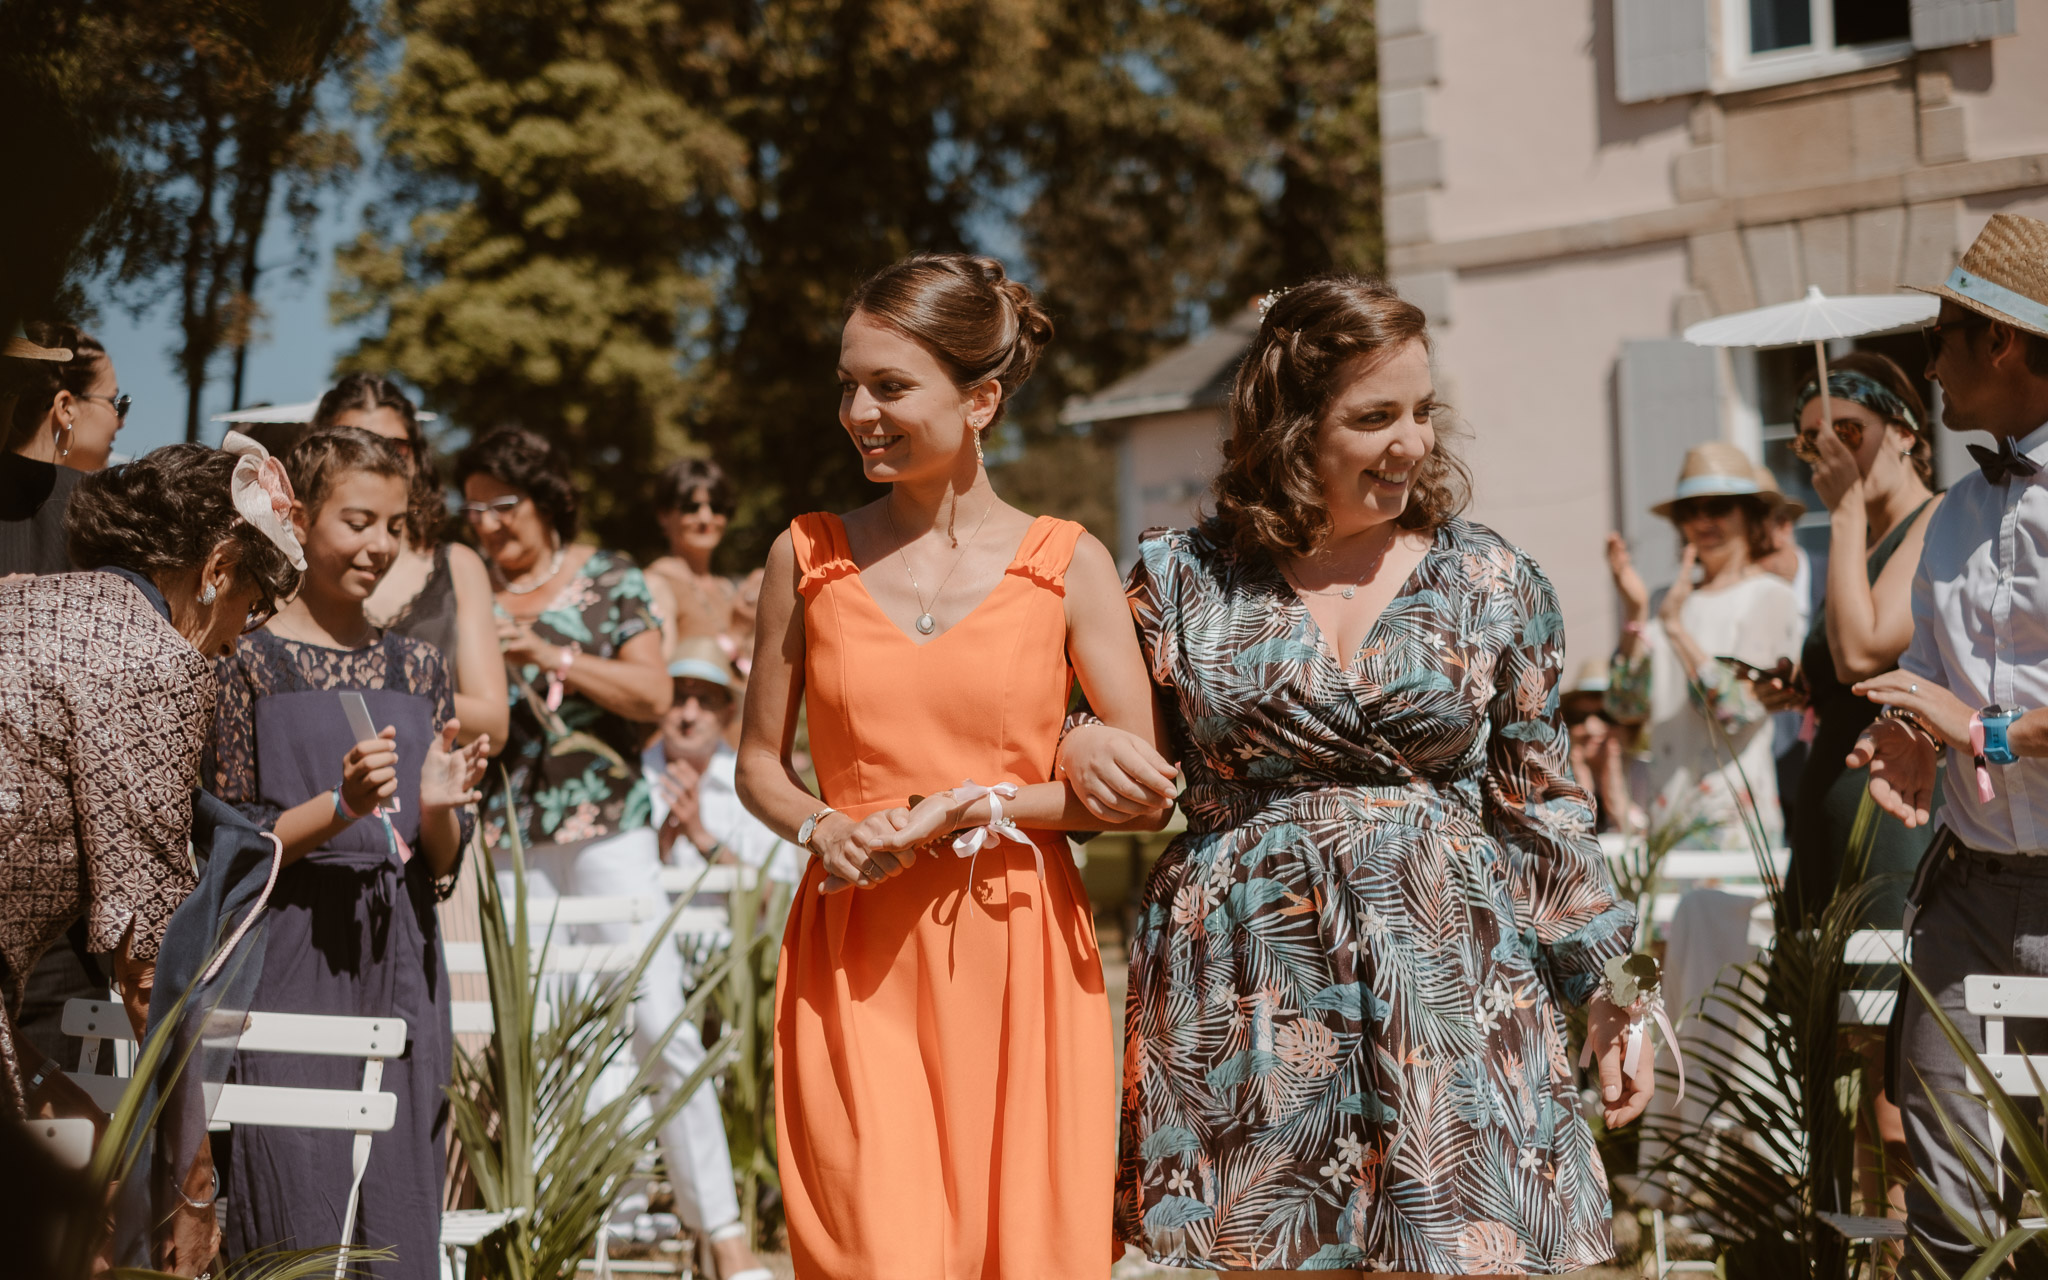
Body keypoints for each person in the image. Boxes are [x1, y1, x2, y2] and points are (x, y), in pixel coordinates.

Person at [1055, 276, 1645, 1276]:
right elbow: (1096, 734)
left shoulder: (1489, 579)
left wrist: (1617, 989)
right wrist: (1076, 739)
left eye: (1421, 411)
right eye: (1372, 417)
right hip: (1246, 984)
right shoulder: (1178, 578)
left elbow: (1540, 805)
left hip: (1442, 979)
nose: (1409, 442)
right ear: (1287, 427)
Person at [736, 252, 1175, 1279]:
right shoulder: (802, 557)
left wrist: (971, 802)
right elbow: (758, 764)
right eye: (848, 383)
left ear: (979, 399)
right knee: (876, 1248)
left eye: (889, 386)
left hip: (1016, 942)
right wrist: (821, 825)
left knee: (1020, 1252)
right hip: (855, 948)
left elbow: (1144, 789)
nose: (858, 411)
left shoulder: (1067, 564)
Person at [455, 426, 765, 1267]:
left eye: (502, 506)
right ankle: (559, 1236)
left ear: (545, 499)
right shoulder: (464, 586)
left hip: (611, 827)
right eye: (473, 508)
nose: (485, 524)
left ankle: (723, 1236)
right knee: (540, 1034)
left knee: (658, 1022)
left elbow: (652, 690)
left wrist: (551, 653)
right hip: (511, 836)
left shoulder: (609, 577)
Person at [0, 436, 304, 1272]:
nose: (241, 638)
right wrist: (193, 1185)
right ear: (218, 563)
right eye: (254, 603)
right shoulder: (153, 662)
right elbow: (151, 971)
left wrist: (59, 1101)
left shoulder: (20, 603)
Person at [205, 426, 489, 1275]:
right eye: (358, 520)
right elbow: (236, 846)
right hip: (290, 953)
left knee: (401, 1215)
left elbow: (438, 864)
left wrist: (437, 809)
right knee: (293, 1207)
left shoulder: (421, 665)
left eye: (395, 526)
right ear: (304, 520)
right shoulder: (246, 662)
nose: (378, 546)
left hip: (401, 953)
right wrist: (340, 806)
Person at [1846, 212, 2048, 1279]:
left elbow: (1981, 717)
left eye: (1941, 336)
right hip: (1965, 897)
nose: (1929, 364)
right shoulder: (1955, 514)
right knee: (1949, 1213)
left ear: (1999, 342)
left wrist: (1984, 732)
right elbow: (1930, 675)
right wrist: (1905, 733)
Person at [1604, 442, 1806, 852]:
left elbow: (1736, 710)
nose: (1701, 520)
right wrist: (1637, 610)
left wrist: (1676, 629)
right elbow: (1624, 707)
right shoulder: (1664, 600)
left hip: (1732, 825)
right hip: (1665, 821)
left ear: (1749, 516)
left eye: (1717, 506)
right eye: (1689, 510)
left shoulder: (1770, 596)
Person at [314, 372, 508, 748]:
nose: (377, 459)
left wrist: (375, 683)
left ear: (417, 456)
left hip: (430, 794)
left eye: (395, 447)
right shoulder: (290, 568)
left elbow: (494, 726)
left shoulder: (458, 566)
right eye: (356, 446)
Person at [647, 636, 800, 884]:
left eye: (706, 701)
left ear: (728, 714)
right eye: (679, 698)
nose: (689, 714)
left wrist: (702, 838)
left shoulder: (759, 786)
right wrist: (658, 850)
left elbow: (779, 900)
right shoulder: (627, 776)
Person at [646, 457, 761, 672]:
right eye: (691, 508)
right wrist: (735, 635)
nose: (706, 518)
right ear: (663, 515)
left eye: (717, 508)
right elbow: (660, 673)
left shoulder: (726, 589)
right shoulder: (656, 583)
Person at [1563, 658, 1638, 834]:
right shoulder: (1549, 777)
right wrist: (1580, 779)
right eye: (1579, 717)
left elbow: (1640, 836)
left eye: (1605, 716)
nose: (1591, 727)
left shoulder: (1645, 774)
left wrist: (1614, 779)